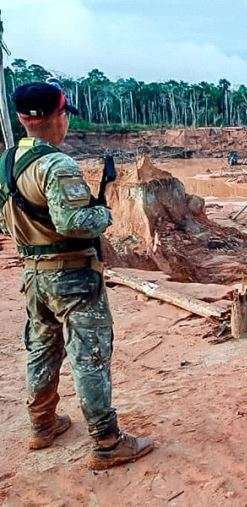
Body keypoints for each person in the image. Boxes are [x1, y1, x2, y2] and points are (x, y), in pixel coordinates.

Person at [0, 82, 153, 470]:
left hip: (34, 274)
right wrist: (104, 214)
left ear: (21, 118)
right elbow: (73, 222)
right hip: (71, 274)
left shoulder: (6, 162)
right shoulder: (56, 165)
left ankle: (42, 425)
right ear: (58, 116)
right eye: (65, 114)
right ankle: (106, 441)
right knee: (90, 356)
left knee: (42, 348)